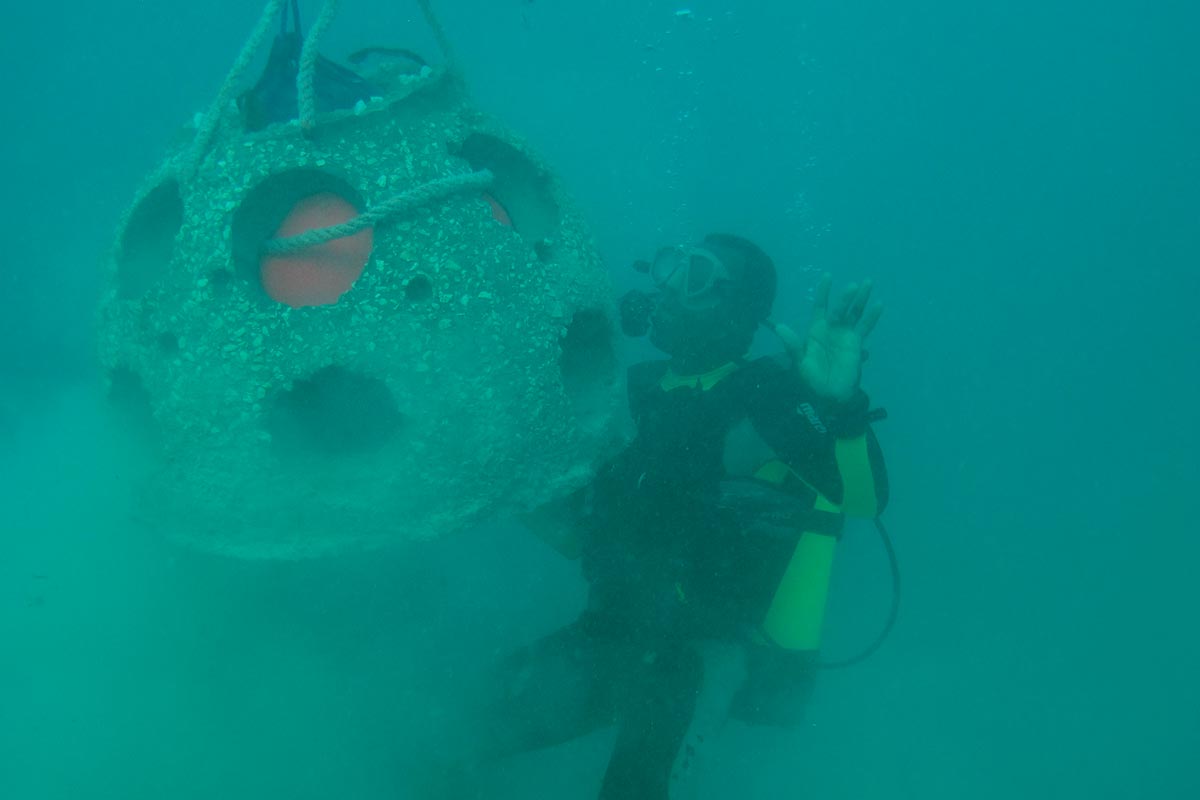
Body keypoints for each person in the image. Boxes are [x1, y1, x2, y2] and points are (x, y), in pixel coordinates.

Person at [430, 234, 889, 799]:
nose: (666, 287)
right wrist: (498, 480)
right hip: (612, 634)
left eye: (694, 275)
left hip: (702, 659)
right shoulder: (631, 391)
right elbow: (585, 534)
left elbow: (865, 501)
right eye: (668, 267)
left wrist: (839, 409)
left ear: (739, 306)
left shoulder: (772, 397)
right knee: (447, 738)